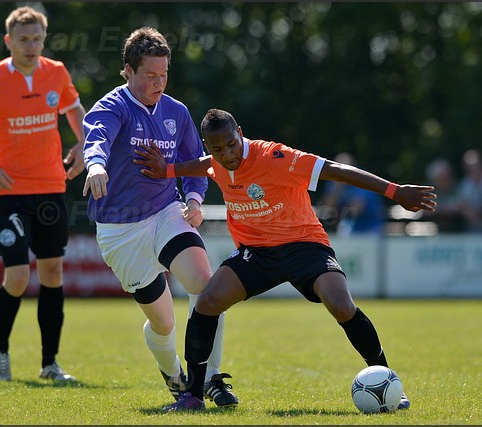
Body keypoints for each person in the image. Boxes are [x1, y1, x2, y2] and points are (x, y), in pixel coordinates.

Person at [135, 108, 437, 411]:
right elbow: (204, 166)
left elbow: (334, 169)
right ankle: (193, 396)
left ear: (239, 132)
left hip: (304, 245)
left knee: (341, 305)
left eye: (231, 144)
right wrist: (168, 170)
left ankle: (386, 377)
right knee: (207, 302)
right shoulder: (216, 161)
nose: (227, 154)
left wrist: (395, 191)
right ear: (208, 145)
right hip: (256, 253)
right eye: (217, 149)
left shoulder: (275, 157)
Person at [82, 28, 238, 407]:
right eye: (150, 75)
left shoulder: (177, 112)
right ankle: (174, 375)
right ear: (128, 72)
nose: (159, 82)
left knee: (206, 284)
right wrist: (95, 165)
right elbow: (97, 136)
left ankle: (211, 378)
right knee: (164, 323)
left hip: (166, 212)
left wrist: (197, 199)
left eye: (164, 74)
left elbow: (193, 165)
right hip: (120, 232)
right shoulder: (112, 106)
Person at [0, 6, 86, 382]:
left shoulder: (55, 73)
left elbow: (75, 110)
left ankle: (50, 363)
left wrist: (82, 144)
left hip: (49, 185)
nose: (31, 45)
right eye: (23, 39)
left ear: (45, 39)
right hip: (7, 191)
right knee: (17, 277)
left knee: (53, 271)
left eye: (37, 38)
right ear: (9, 41)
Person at [319, 152, 385, 236]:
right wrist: (337, 188)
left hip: (371, 226)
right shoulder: (333, 182)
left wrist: (338, 210)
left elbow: (357, 208)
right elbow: (328, 207)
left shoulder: (360, 177)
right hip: (351, 226)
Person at [421, 157, 462, 233]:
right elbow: (423, 210)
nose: (446, 180)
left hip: (459, 230)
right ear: (434, 179)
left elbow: (463, 206)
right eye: (442, 178)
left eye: (447, 177)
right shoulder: (427, 190)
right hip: (430, 232)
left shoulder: (458, 187)